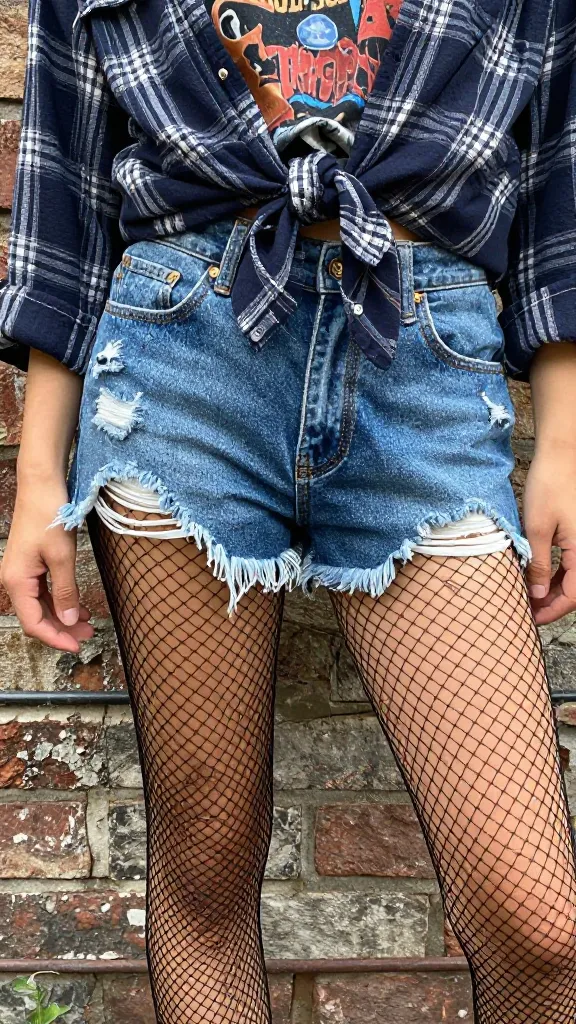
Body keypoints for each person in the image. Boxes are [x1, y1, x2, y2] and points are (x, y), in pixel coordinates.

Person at [1, 0, 576, 1019]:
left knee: (539, 922)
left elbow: (559, 187)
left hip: (426, 360)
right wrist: (39, 474)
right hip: (182, 357)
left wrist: (564, 442)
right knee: (207, 860)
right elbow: (67, 200)